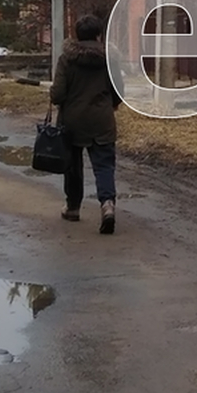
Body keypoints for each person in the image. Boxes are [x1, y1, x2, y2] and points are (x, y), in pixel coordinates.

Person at [48, 13, 120, 233]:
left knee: (73, 166)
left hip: (72, 121)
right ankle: (107, 205)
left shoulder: (67, 59)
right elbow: (119, 90)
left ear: (77, 35)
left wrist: (55, 95)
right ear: (99, 35)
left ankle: (73, 208)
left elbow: (58, 94)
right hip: (102, 119)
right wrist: (111, 104)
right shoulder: (109, 59)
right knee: (104, 165)